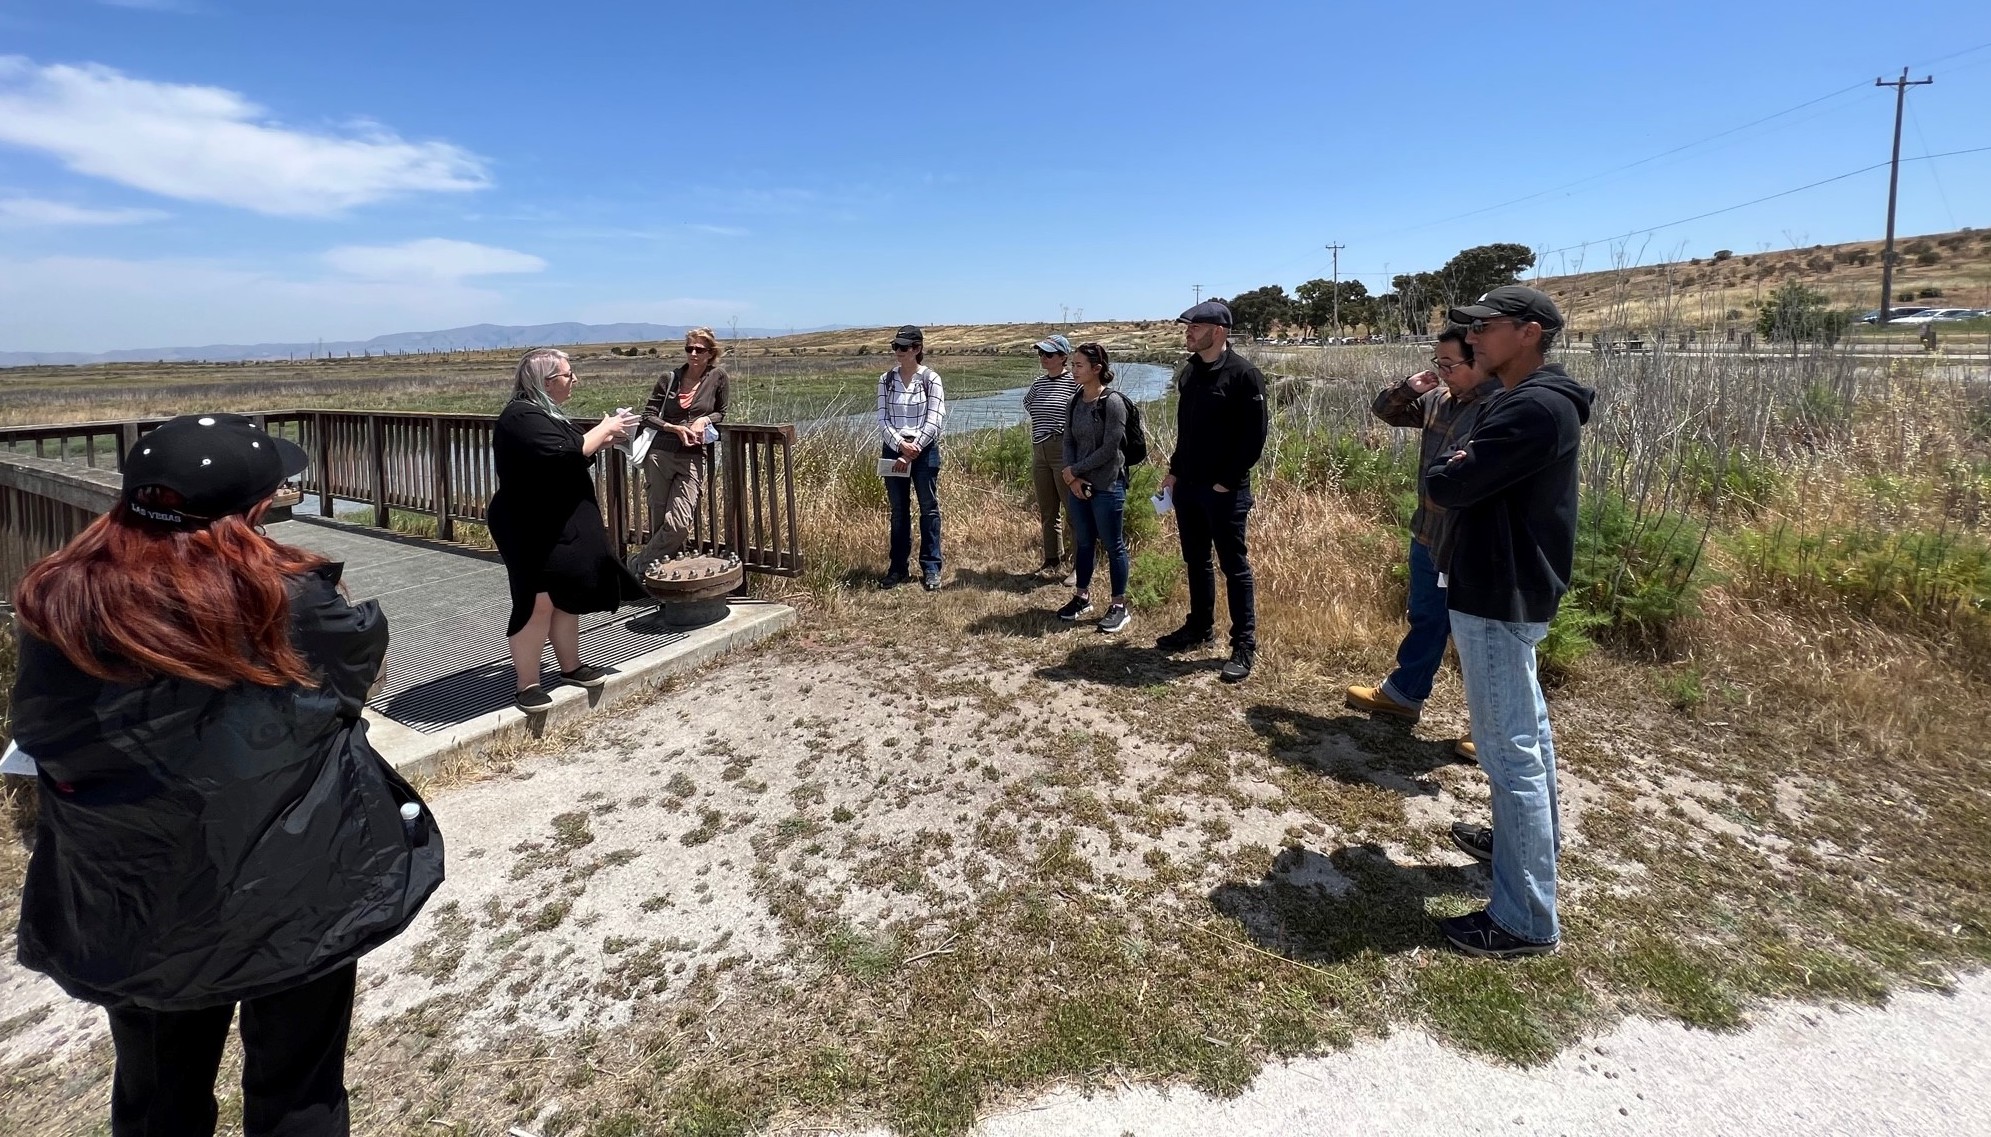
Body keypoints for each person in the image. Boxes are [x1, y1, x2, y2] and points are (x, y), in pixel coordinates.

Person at [9, 413, 444, 1136]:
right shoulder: (288, 599)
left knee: (156, 1098)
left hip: (133, 891)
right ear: (249, 514)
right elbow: (350, 678)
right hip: (293, 885)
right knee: (298, 1089)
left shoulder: (59, 601)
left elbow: (40, 730)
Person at [1425, 285, 1595, 959]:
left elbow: (1447, 482)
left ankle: (1524, 918)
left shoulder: (1532, 407)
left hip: (1499, 588)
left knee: (1508, 750)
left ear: (1528, 332)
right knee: (1528, 732)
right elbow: (1456, 473)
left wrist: (1450, 464)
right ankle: (1530, 841)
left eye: (1485, 329)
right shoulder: (1522, 401)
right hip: (1504, 583)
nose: (1472, 342)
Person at [1346, 326, 1502, 757]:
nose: (1443, 372)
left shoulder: (1499, 406)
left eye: (1450, 364)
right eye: (1439, 363)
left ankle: (1491, 729)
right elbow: (1385, 411)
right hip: (1428, 533)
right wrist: (1408, 387)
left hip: (1471, 542)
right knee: (1426, 618)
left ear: (1481, 361)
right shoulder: (1439, 400)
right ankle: (1403, 695)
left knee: (1480, 636)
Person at [488, 348, 644, 713]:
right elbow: (566, 454)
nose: (574, 380)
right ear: (546, 382)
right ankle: (527, 684)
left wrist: (608, 438)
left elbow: (568, 457)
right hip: (527, 524)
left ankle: (570, 667)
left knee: (564, 595)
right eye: (568, 375)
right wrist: (602, 429)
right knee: (536, 601)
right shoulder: (521, 415)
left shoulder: (546, 413)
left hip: (555, 519)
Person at [1155, 300, 1269, 683]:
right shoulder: (1189, 373)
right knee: (1196, 561)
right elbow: (1186, 433)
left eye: (1194, 326)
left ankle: (1244, 645)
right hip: (1188, 487)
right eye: (1187, 326)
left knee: (1234, 567)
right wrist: (1173, 473)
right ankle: (1200, 628)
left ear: (1218, 331)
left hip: (1224, 492)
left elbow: (1254, 439)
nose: (1187, 332)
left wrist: (1227, 479)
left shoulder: (1244, 375)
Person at [631, 327, 730, 574]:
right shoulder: (669, 378)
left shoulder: (717, 377)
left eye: (699, 349)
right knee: (658, 518)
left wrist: (703, 421)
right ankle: (660, 579)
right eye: (689, 348)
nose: (693, 353)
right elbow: (648, 416)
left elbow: (721, 412)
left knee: (679, 523)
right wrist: (673, 428)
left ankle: (636, 566)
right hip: (659, 454)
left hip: (693, 456)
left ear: (710, 353)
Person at [1055, 342, 1133, 634]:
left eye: (1078, 365)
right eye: (1072, 365)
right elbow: (1068, 441)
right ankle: (1082, 597)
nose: (1073, 370)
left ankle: (1118, 606)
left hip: (1107, 485)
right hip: (1079, 485)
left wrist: (1074, 471)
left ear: (1097, 369)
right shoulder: (1075, 401)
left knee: (1113, 546)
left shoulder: (1112, 402)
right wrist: (1073, 479)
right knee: (1084, 542)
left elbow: (1111, 448)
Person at [877, 324, 946, 591]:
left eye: (904, 347)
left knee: (928, 509)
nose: (899, 352)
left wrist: (914, 448)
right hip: (894, 449)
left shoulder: (931, 379)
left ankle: (931, 567)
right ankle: (897, 568)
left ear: (917, 349)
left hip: (924, 450)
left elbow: (935, 419)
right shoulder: (886, 380)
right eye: (896, 347)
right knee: (898, 511)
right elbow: (882, 419)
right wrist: (900, 446)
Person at [1022, 333, 1080, 579]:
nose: (1043, 358)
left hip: (1063, 451)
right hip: (1040, 449)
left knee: (1073, 511)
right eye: (1041, 353)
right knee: (1048, 510)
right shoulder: (1038, 384)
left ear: (1063, 357)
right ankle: (1052, 559)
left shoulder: (1074, 384)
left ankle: (1080, 565)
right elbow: (1028, 405)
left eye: (1049, 354)